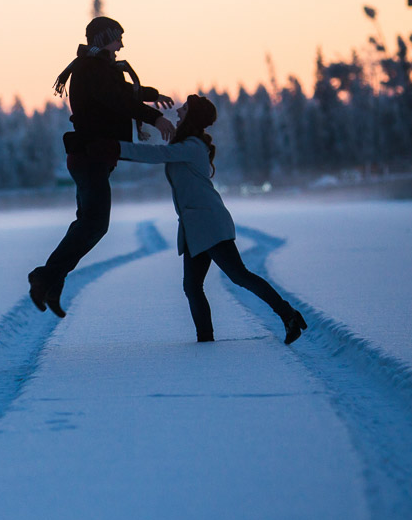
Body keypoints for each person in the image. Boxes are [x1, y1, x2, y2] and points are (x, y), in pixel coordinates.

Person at [92, 94, 307, 344]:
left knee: (239, 276)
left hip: (208, 224)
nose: (179, 111)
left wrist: (116, 148)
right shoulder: (187, 145)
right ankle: (205, 341)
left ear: (192, 117)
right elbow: (163, 153)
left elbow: (157, 154)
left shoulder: (192, 146)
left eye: (184, 109)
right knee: (192, 287)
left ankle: (288, 315)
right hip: (195, 228)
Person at [28, 16, 176, 316]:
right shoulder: (91, 68)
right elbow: (118, 99)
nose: (122, 43)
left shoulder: (97, 68)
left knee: (88, 223)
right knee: (95, 224)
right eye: (117, 37)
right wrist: (154, 117)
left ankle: (52, 280)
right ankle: (46, 277)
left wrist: (151, 95)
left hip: (92, 157)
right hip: (89, 157)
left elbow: (120, 92)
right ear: (104, 37)